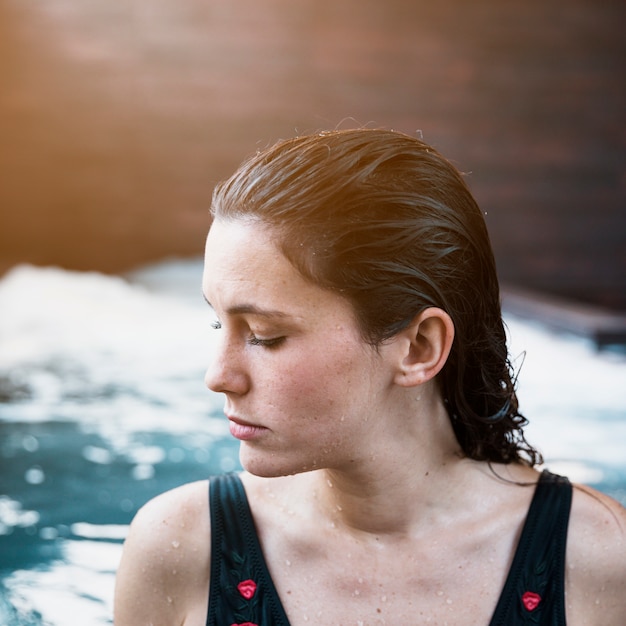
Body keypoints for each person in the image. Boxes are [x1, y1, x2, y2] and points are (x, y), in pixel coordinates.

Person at [114, 128, 626, 625]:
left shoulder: (597, 558)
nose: (218, 375)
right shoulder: (181, 549)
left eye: (265, 335)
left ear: (418, 348)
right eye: (217, 322)